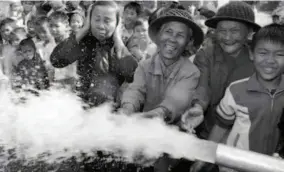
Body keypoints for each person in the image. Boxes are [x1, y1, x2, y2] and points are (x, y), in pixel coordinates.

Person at [191, 23, 284, 172]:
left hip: (273, 165)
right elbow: (221, 126)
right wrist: (205, 156)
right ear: (252, 55)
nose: (270, 60)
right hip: (235, 166)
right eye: (263, 53)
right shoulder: (236, 90)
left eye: (279, 54)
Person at [120, 8, 204, 172]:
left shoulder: (191, 72)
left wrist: (158, 113)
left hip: (172, 133)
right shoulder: (145, 65)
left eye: (180, 35)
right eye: (168, 32)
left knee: (160, 165)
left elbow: (177, 99)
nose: (172, 39)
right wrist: (127, 109)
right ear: (158, 36)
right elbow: (135, 90)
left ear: (188, 42)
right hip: (143, 126)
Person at [182, 1, 261, 142]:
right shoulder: (206, 55)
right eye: (222, 31)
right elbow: (202, 86)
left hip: (241, 141)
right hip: (203, 131)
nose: (227, 37)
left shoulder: (259, 62)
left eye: (234, 31)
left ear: (249, 33)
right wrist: (198, 107)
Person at [50, 0, 137, 109]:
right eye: (96, 20)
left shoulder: (123, 45)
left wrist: (118, 40)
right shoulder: (84, 42)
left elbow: (133, 76)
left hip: (111, 110)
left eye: (107, 21)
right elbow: (57, 60)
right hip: (84, 106)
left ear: (117, 23)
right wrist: (83, 29)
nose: (101, 25)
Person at [48, 11, 77, 89]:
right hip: (57, 85)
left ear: (67, 26)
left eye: (57, 26)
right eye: (50, 26)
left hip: (73, 84)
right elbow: (51, 70)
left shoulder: (73, 43)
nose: (53, 29)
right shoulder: (50, 45)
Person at [33, 16, 56, 83]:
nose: (42, 35)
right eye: (39, 32)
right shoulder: (38, 46)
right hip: (45, 77)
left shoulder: (56, 45)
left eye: (44, 31)